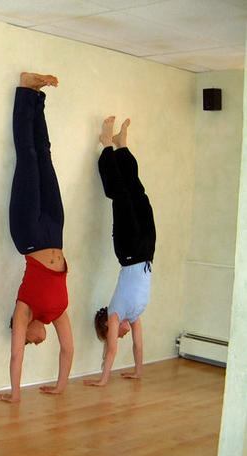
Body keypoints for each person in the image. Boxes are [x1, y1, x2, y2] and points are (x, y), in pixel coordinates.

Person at [0, 72, 74, 404]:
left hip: (27, 234)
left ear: (22, 329)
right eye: (34, 343)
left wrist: (15, 394)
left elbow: (16, 356)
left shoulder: (24, 310)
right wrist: (60, 386)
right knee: (45, 156)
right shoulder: (57, 312)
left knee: (28, 157)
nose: (35, 342)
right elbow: (68, 349)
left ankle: (24, 89)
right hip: (55, 232)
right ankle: (37, 98)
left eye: (29, 341)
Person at [84, 117, 155, 387]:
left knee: (121, 196)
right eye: (119, 335)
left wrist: (103, 379)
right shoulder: (134, 316)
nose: (120, 336)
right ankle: (122, 145)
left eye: (115, 335)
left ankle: (106, 145)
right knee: (139, 195)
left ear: (107, 327)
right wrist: (138, 371)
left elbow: (111, 350)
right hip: (146, 252)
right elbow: (139, 345)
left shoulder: (115, 314)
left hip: (128, 251)